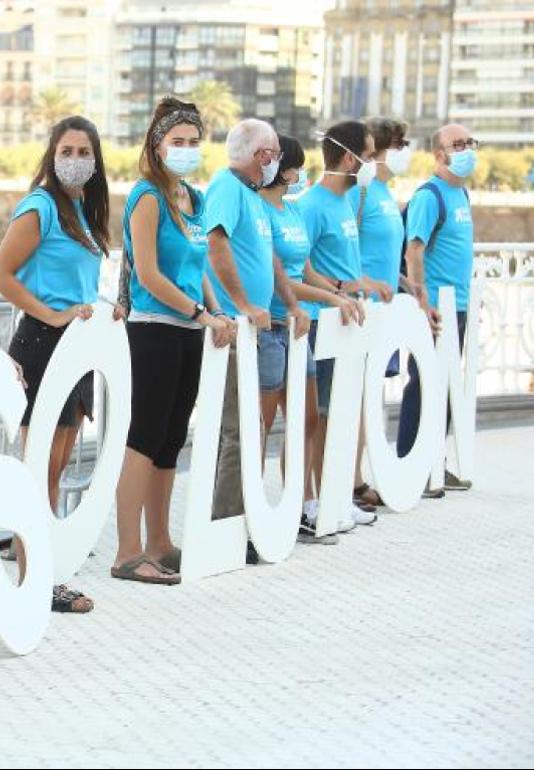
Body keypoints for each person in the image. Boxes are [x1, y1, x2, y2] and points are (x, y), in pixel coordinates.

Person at [0, 115, 114, 614]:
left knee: (57, 469)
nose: (76, 161)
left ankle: (44, 572)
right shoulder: (40, 206)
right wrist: (53, 314)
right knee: (36, 469)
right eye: (67, 151)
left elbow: (77, 281)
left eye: (85, 152)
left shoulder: (83, 209)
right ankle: (32, 578)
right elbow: (2, 274)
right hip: (43, 345)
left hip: (77, 352)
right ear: (51, 154)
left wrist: (103, 306)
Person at [112, 97, 234, 585]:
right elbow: (149, 273)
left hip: (188, 329)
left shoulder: (195, 199)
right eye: (176, 142)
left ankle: (160, 541)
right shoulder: (148, 198)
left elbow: (196, 266)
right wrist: (202, 314)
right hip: (154, 328)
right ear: (157, 146)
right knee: (144, 435)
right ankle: (127, 550)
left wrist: (216, 311)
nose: (185, 150)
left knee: (170, 438)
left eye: (192, 142)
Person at [204, 119, 306, 561]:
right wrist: (243, 303)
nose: (275, 162)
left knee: (252, 427)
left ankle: (243, 519)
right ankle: (226, 528)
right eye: (271, 154)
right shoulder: (227, 188)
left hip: (260, 329)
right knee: (237, 430)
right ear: (256, 154)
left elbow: (271, 260)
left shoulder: (253, 197)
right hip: (237, 329)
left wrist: (291, 305)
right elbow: (216, 245)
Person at [257, 135, 362, 544]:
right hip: (272, 325)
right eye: (297, 167)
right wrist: (324, 296)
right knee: (263, 423)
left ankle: (303, 502)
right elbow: (283, 279)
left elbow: (306, 269)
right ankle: (256, 510)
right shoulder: (261, 213)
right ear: (285, 168)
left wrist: (336, 294)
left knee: (308, 415)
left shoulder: (291, 211)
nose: (301, 175)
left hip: (296, 330)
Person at [296, 120, 389, 533]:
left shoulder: (349, 203)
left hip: (349, 321)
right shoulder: (312, 205)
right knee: (322, 417)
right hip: (321, 323)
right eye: (369, 156)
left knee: (344, 414)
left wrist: (359, 286)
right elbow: (300, 266)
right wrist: (335, 290)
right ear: (350, 158)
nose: (373, 164)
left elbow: (346, 265)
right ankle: (315, 501)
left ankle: (337, 496)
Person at [397, 123, 478, 495]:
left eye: (468, 143)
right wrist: (421, 300)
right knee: (423, 385)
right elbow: (414, 249)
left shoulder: (461, 195)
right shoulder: (430, 196)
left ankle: (435, 464)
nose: (464, 150)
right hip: (433, 309)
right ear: (439, 153)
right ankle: (410, 464)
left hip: (458, 306)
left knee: (445, 386)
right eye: (456, 144)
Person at [349, 117, 411, 509]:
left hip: (386, 313)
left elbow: (388, 254)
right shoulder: (363, 192)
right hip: (361, 311)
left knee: (371, 395)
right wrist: (359, 284)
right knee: (355, 397)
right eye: (399, 144)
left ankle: (358, 477)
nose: (405, 152)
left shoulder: (387, 193)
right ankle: (350, 482)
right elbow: (343, 246)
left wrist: (408, 284)